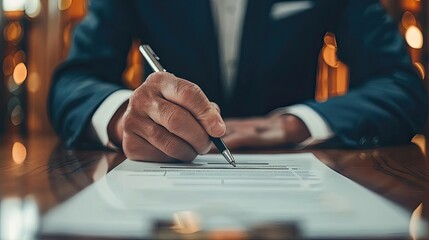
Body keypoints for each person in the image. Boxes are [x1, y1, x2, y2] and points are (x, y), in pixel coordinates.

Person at [49, 0, 428, 162]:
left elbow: (401, 86)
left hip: (290, 184)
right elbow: (73, 82)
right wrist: (125, 119)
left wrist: (287, 125)